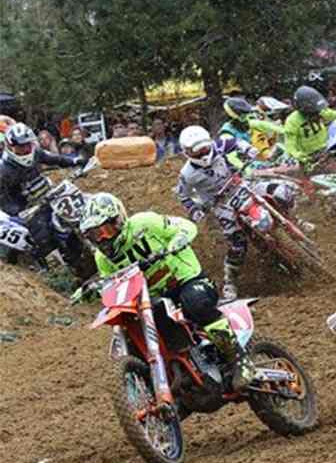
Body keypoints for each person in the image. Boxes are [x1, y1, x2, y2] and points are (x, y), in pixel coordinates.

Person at [77, 193, 255, 389]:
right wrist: (94, 289)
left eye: (106, 230)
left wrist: (177, 241)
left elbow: (185, 226)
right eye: (95, 235)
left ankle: (239, 359)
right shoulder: (103, 259)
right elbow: (113, 283)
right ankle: (165, 384)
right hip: (152, 297)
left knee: (195, 303)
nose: (102, 238)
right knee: (133, 330)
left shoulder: (144, 223)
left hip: (186, 280)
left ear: (118, 220)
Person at [175, 124, 297, 300]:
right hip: (221, 204)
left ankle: (295, 221)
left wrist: (249, 149)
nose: (203, 154)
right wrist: (194, 210)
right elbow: (183, 195)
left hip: (240, 184)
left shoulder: (218, 146)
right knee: (237, 244)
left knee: (282, 192)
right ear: (187, 152)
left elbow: (236, 142)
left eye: (204, 148)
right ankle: (230, 282)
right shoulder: (186, 174)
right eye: (197, 152)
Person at [0, 121, 92, 280]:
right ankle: (51, 271)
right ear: (10, 146)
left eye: (27, 145)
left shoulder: (35, 153)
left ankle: (82, 256)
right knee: (44, 235)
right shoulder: (4, 170)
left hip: (48, 197)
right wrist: (17, 213)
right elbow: (3, 199)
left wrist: (75, 161)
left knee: (71, 217)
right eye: (20, 147)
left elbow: (54, 159)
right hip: (27, 210)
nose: (25, 150)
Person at [283, 85, 336, 171]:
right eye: (313, 113)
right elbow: (289, 143)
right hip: (310, 158)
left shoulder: (320, 111)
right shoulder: (292, 121)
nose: (316, 114)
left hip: (327, 150)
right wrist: (297, 155)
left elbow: (335, 115)